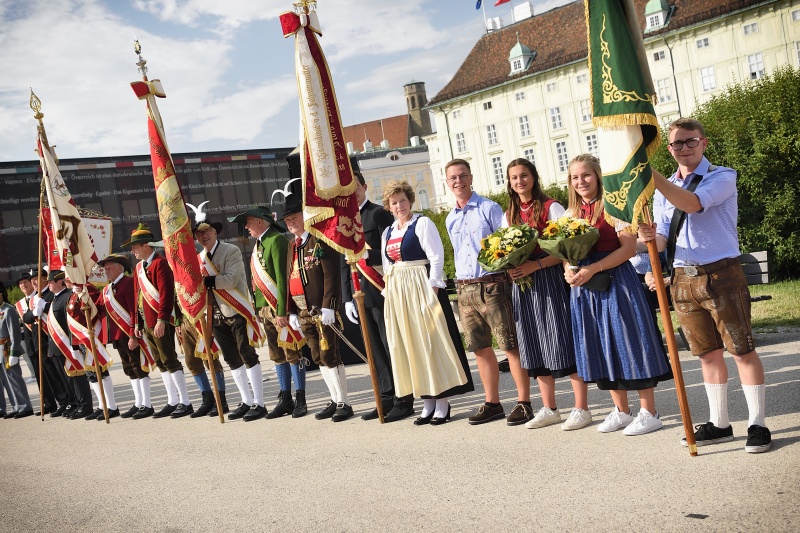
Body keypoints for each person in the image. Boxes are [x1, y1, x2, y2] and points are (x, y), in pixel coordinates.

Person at [639, 117, 771, 453]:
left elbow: (693, 204)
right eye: (676, 144)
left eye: (690, 141)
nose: (683, 148)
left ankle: (757, 424)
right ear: (669, 149)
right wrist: (646, 240)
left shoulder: (722, 176)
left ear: (704, 143)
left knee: (741, 350)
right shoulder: (665, 186)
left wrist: (647, 175)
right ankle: (720, 424)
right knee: (707, 355)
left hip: (722, 275)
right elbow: (665, 239)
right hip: (684, 279)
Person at [564, 154, 672, 435]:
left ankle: (650, 411)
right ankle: (622, 411)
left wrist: (594, 267)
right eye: (575, 177)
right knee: (601, 343)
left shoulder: (614, 206)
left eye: (586, 175)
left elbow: (626, 249)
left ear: (598, 176)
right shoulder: (570, 214)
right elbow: (565, 253)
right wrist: (568, 270)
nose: (581, 181)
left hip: (616, 279)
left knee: (629, 340)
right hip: (586, 287)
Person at [501, 158, 589, 430]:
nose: (519, 181)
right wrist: (511, 267)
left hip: (549, 280)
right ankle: (549, 407)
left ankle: (581, 408)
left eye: (524, 176)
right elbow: (503, 249)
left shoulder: (553, 207)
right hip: (524, 286)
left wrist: (535, 264)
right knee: (533, 341)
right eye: (514, 177)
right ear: (509, 182)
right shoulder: (509, 214)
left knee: (562, 339)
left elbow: (565, 249)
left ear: (534, 177)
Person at [382, 180, 474, 425]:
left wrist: (432, 287)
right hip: (400, 291)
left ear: (410, 200)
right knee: (412, 345)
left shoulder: (422, 223)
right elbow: (388, 265)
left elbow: (436, 257)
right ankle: (427, 402)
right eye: (394, 202)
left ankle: (442, 402)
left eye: (403, 200)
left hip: (422, 287)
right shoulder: (388, 231)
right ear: (389, 207)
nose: (399, 206)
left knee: (431, 342)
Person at [444, 159, 527, 425]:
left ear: (471, 177)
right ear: (447, 182)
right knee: (480, 349)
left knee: (509, 345)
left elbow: (506, 243)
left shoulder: (489, 208)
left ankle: (524, 402)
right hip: (465, 288)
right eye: (453, 178)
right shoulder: (450, 217)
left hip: (492, 284)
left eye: (462, 176)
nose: (458, 181)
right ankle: (492, 403)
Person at [341, 172, 414, 422]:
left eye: (355, 187)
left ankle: (403, 398)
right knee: (375, 350)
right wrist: (347, 297)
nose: (353, 193)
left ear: (364, 186)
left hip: (381, 290)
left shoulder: (378, 214)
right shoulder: (344, 221)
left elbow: (392, 253)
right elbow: (344, 262)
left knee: (391, 345)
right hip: (360, 294)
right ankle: (385, 397)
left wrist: (365, 257)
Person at [228, 205, 307, 419]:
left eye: (248, 222)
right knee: (276, 354)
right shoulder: (260, 243)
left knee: (292, 351)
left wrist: (283, 310)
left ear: (261, 221)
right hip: (265, 308)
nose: (246, 226)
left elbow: (283, 278)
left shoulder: (276, 240)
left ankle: (300, 398)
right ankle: (286, 398)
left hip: (277, 308)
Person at [283, 195, 354, 422]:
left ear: (306, 217)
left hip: (320, 310)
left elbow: (331, 275)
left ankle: (344, 401)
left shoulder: (319, 240)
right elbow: (288, 280)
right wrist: (290, 311)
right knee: (317, 357)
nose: (291, 223)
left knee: (329, 354)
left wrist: (329, 307)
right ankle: (334, 399)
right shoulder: (292, 246)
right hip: (303, 312)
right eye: (287, 220)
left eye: (294, 217)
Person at [194, 214, 266, 422]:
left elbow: (231, 280)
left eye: (207, 231)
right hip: (214, 316)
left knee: (247, 354)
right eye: (200, 233)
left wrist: (205, 282)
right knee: (231, 359)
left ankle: (259, 403)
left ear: (215, 232)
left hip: (235, 310)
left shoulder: (231, 250)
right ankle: (246, 400)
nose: (204, 235)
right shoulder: (199, 259)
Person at [123, 224, 193, 419]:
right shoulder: (139, 267)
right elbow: (138, 297)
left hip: (159, 320)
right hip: (146, 322)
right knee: (160, 362)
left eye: (135, 246)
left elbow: (165, 294)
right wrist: (137, 323)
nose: (132, 250)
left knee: (169, 359)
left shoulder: (160, 263)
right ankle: (172, 400)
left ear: (146, 245)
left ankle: (185, 401)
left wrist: (162, 319)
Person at [98, 254, 159, 419]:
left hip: (129, 333)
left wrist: (133, 334)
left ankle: (147, 404)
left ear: (120, 268)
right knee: (129, 369)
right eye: (105, 269)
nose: (106, 271)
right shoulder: (108, 289)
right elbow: (98, 306)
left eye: (109, 268)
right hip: (118, 335)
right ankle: (138, 403)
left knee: (138, 367)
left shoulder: (128, 283)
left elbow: (134, 310)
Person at [38, 270, 93, 419]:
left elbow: (71, 324)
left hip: (68, 346)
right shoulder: (56, 298)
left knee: (78, 377)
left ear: (59, 282)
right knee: (67, 379)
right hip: (57, 347)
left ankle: (85, 406)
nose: (47, 284)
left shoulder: (67, 297)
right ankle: (77, 404)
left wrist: (74, 345)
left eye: (50, 282)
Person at [63, 274, 119, 420]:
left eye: (68, 277)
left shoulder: (88, 289)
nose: (66, 280)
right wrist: (74, 344)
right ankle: (102, 405)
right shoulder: (73, 294)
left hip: (91, 337)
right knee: (91, 375)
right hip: (81, 339)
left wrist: (83, 296)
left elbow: (93, 309)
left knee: (100, 371)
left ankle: (111, 406)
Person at [16, 272, 58, 415]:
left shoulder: (38, 298)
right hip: (30, 345)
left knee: (52, 374)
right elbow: (26, 319)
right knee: (40, 376)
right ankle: (47, 402)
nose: (24, 285)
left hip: (44, 341)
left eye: (26, 282)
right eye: (21, 284)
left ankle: (62, 401)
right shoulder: (20, 304)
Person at [0, 280, 34, 418]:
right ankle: (6, 407)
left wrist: (14, 353)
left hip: (7, 349)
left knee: (13, 378)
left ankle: (24, 406)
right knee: (4, 380)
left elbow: (14, 334)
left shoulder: (8, 310)